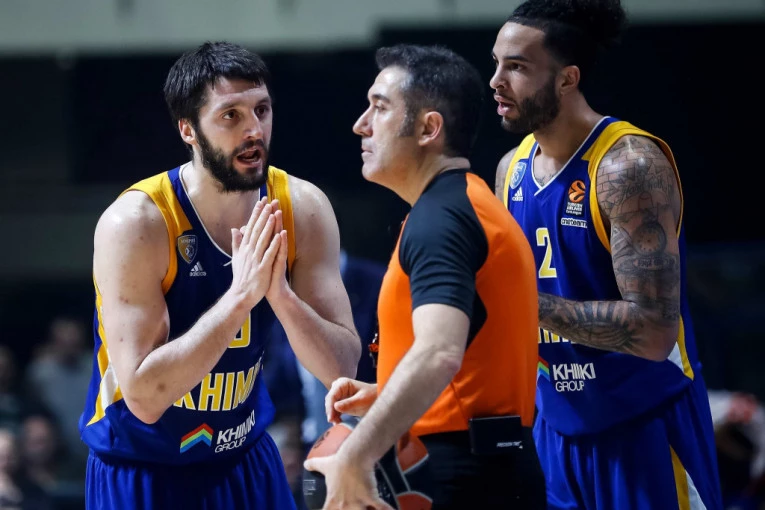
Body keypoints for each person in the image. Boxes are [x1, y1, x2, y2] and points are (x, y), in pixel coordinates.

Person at [78, 41, 361, 510]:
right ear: (188, 129)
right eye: (231, 115)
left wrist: (281, 296)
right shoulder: (137, 224)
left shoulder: (302, 207)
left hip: (243, 457)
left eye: (262, 110)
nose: (254, 130)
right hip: (142, 466)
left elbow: (342, 369)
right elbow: (145, 398)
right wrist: (240, 298)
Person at [491, 1, 723, 508]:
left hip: (645, 426)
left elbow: (654, 333)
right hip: (555, 429)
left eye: (517, 66)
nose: (496, 81)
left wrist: (513, 301)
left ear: (567, 78)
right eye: (496, 63)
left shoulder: (627, 166)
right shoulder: (510, 170)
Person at [304, 44, 545, 509]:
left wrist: (357, 454)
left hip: (464, 477)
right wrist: (388, 392)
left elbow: (439, 352)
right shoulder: (461, 204)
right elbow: (470, 361)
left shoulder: (442, 219)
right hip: (488, 463)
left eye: (379, 108)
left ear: (428, 128)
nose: (361, 124)